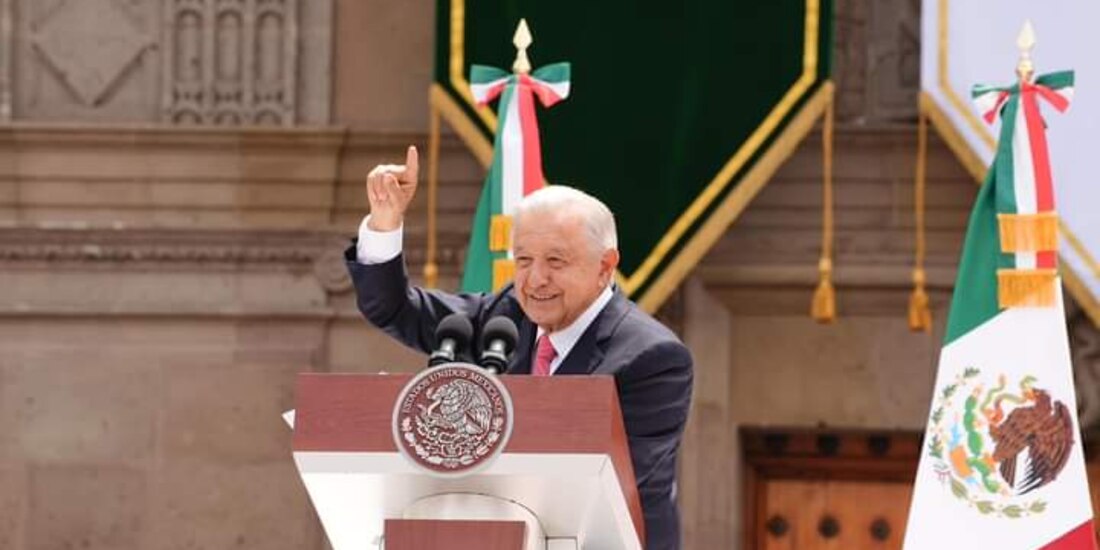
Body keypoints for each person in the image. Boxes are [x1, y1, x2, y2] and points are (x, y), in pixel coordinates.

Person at [345, 145, 694, 550]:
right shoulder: (507, 314)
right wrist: (385, 222)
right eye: (524, 260)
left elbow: (611, 487)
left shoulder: (654, 359)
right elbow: (396, 310)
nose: (535, 279)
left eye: (556, 261)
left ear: (605, 266)